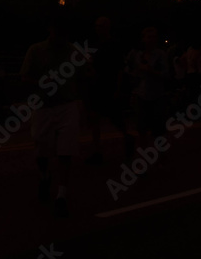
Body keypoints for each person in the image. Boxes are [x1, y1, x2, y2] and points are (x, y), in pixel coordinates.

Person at [20, 11, 84, 217]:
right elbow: (24, 77)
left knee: (66, 150)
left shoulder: (74, 51)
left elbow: (85, 76)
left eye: (64, 32)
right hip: (43, 106)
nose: (61, 36)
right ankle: (45, 175)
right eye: (58, 31)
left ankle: (61, 195)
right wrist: (40, 82)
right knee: (41, 148)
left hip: (67, 105)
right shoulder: (36, 50)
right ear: (51, 29)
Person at [84, 16, 133, 164]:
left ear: (107, 27)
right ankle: (97, 151)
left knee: (115, 118)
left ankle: (127, 139)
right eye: (96, 26)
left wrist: (118, 89)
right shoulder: (96, 44)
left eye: (100, 26)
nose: (97, 29)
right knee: (94, 118)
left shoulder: (113, 44)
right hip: (97, 85)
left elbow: (119, 69)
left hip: (109, 85)